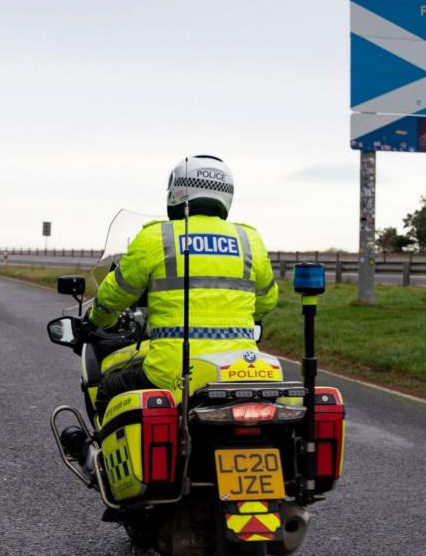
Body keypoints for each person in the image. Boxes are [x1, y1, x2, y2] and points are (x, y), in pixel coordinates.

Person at [59, 155, 279, 465]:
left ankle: (105, 465)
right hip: (239, 371)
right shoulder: (249, 239)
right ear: (226, 194)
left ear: (177, 192)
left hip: (173, 372)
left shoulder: (156, 237)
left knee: (109, 388)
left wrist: (96, 320)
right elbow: (267, 301)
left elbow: (113, 295)